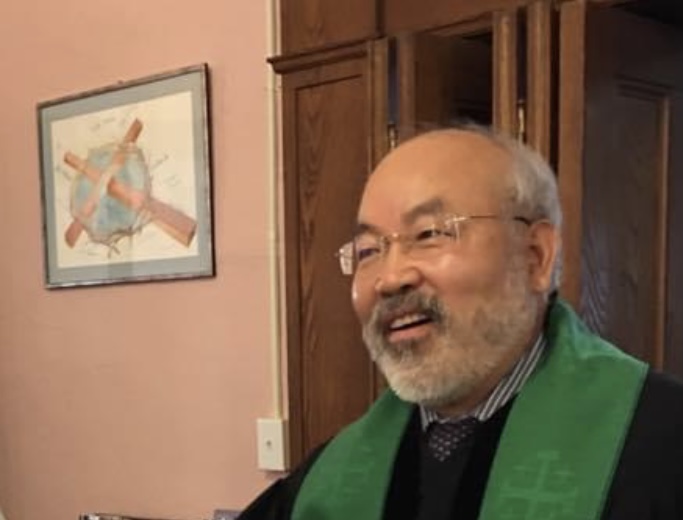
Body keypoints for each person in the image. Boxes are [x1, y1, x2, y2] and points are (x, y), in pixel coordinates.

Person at [238, 127, 683, 519]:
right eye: (369, 250)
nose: (390, 279)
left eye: (429, 234)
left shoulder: (660, 440)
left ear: (535, 257)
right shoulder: (336, 473)